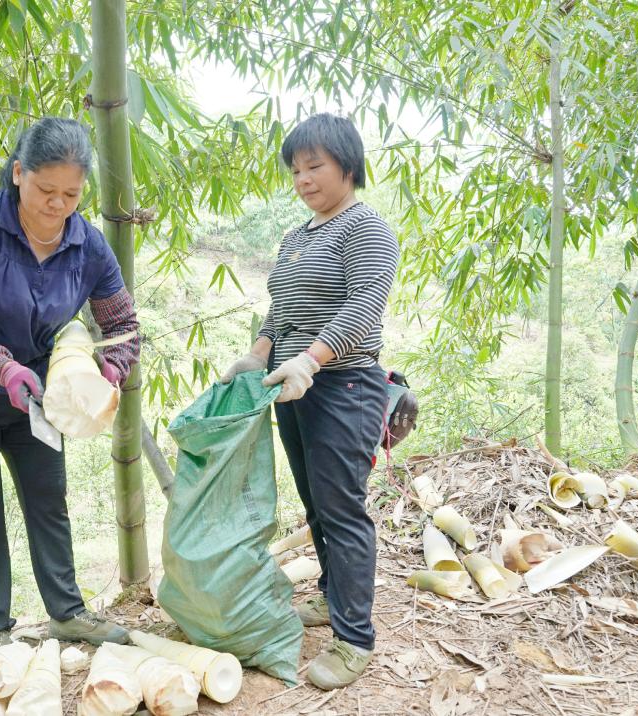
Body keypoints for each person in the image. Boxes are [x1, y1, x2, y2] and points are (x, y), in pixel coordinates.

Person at [0, 117, 139, 649]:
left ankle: (67, 613)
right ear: (19, 173)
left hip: (36, 400)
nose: (58, 204)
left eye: (71, 194)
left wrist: (109, 370)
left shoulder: (88, 246)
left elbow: (124, 326)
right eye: (46, 189)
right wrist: (3, 368)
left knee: (49, 498)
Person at [220, 113, 399, 689]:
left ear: (348, 164)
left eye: (314, 166)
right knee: (316, 503)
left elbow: (364, 305)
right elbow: (280, 312)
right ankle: (329, 596)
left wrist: (311, 359)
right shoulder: (297, 237)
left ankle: (354, 639)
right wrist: (260, 353)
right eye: (295, 169)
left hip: (343, 387)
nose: (303, 179)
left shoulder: (367, 228)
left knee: (342, 508)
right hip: (290, 388)